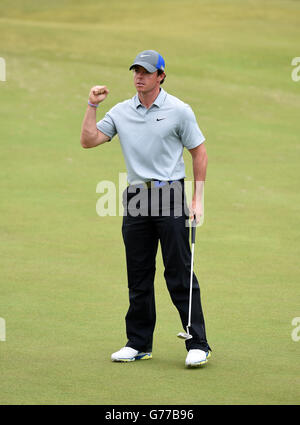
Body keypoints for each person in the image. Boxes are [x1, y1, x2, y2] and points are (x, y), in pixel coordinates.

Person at [80, 50, 211, 367]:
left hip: (170, 194)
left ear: (161, 76)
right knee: (138, 275)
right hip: (137, 197)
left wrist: (197, 198)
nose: (139, 76)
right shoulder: (122, 111)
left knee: (178, 272)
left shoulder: (179, 110)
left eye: (147, 72)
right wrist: (92, 105)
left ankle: (198, 344)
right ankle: (138, 343)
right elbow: (89, 140)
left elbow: (199, 151)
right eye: (136, 71)